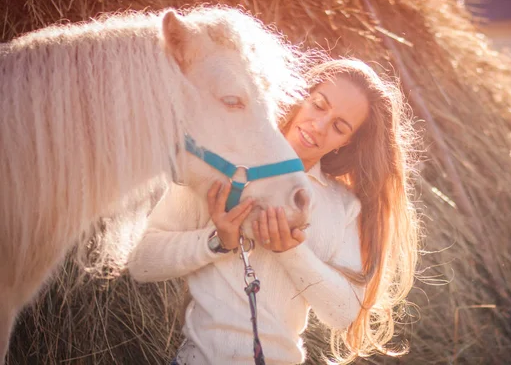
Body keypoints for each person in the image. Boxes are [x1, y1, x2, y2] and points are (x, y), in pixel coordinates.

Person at [127, 58, 420, 364]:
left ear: (345, 143)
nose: (318, 127)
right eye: (318, 105)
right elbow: (142, 262)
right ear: (299, 95)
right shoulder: (222, 163)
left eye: (338, 127)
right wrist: (217, 241)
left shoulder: (342, 206)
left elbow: (345, 312)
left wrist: (291, 252)